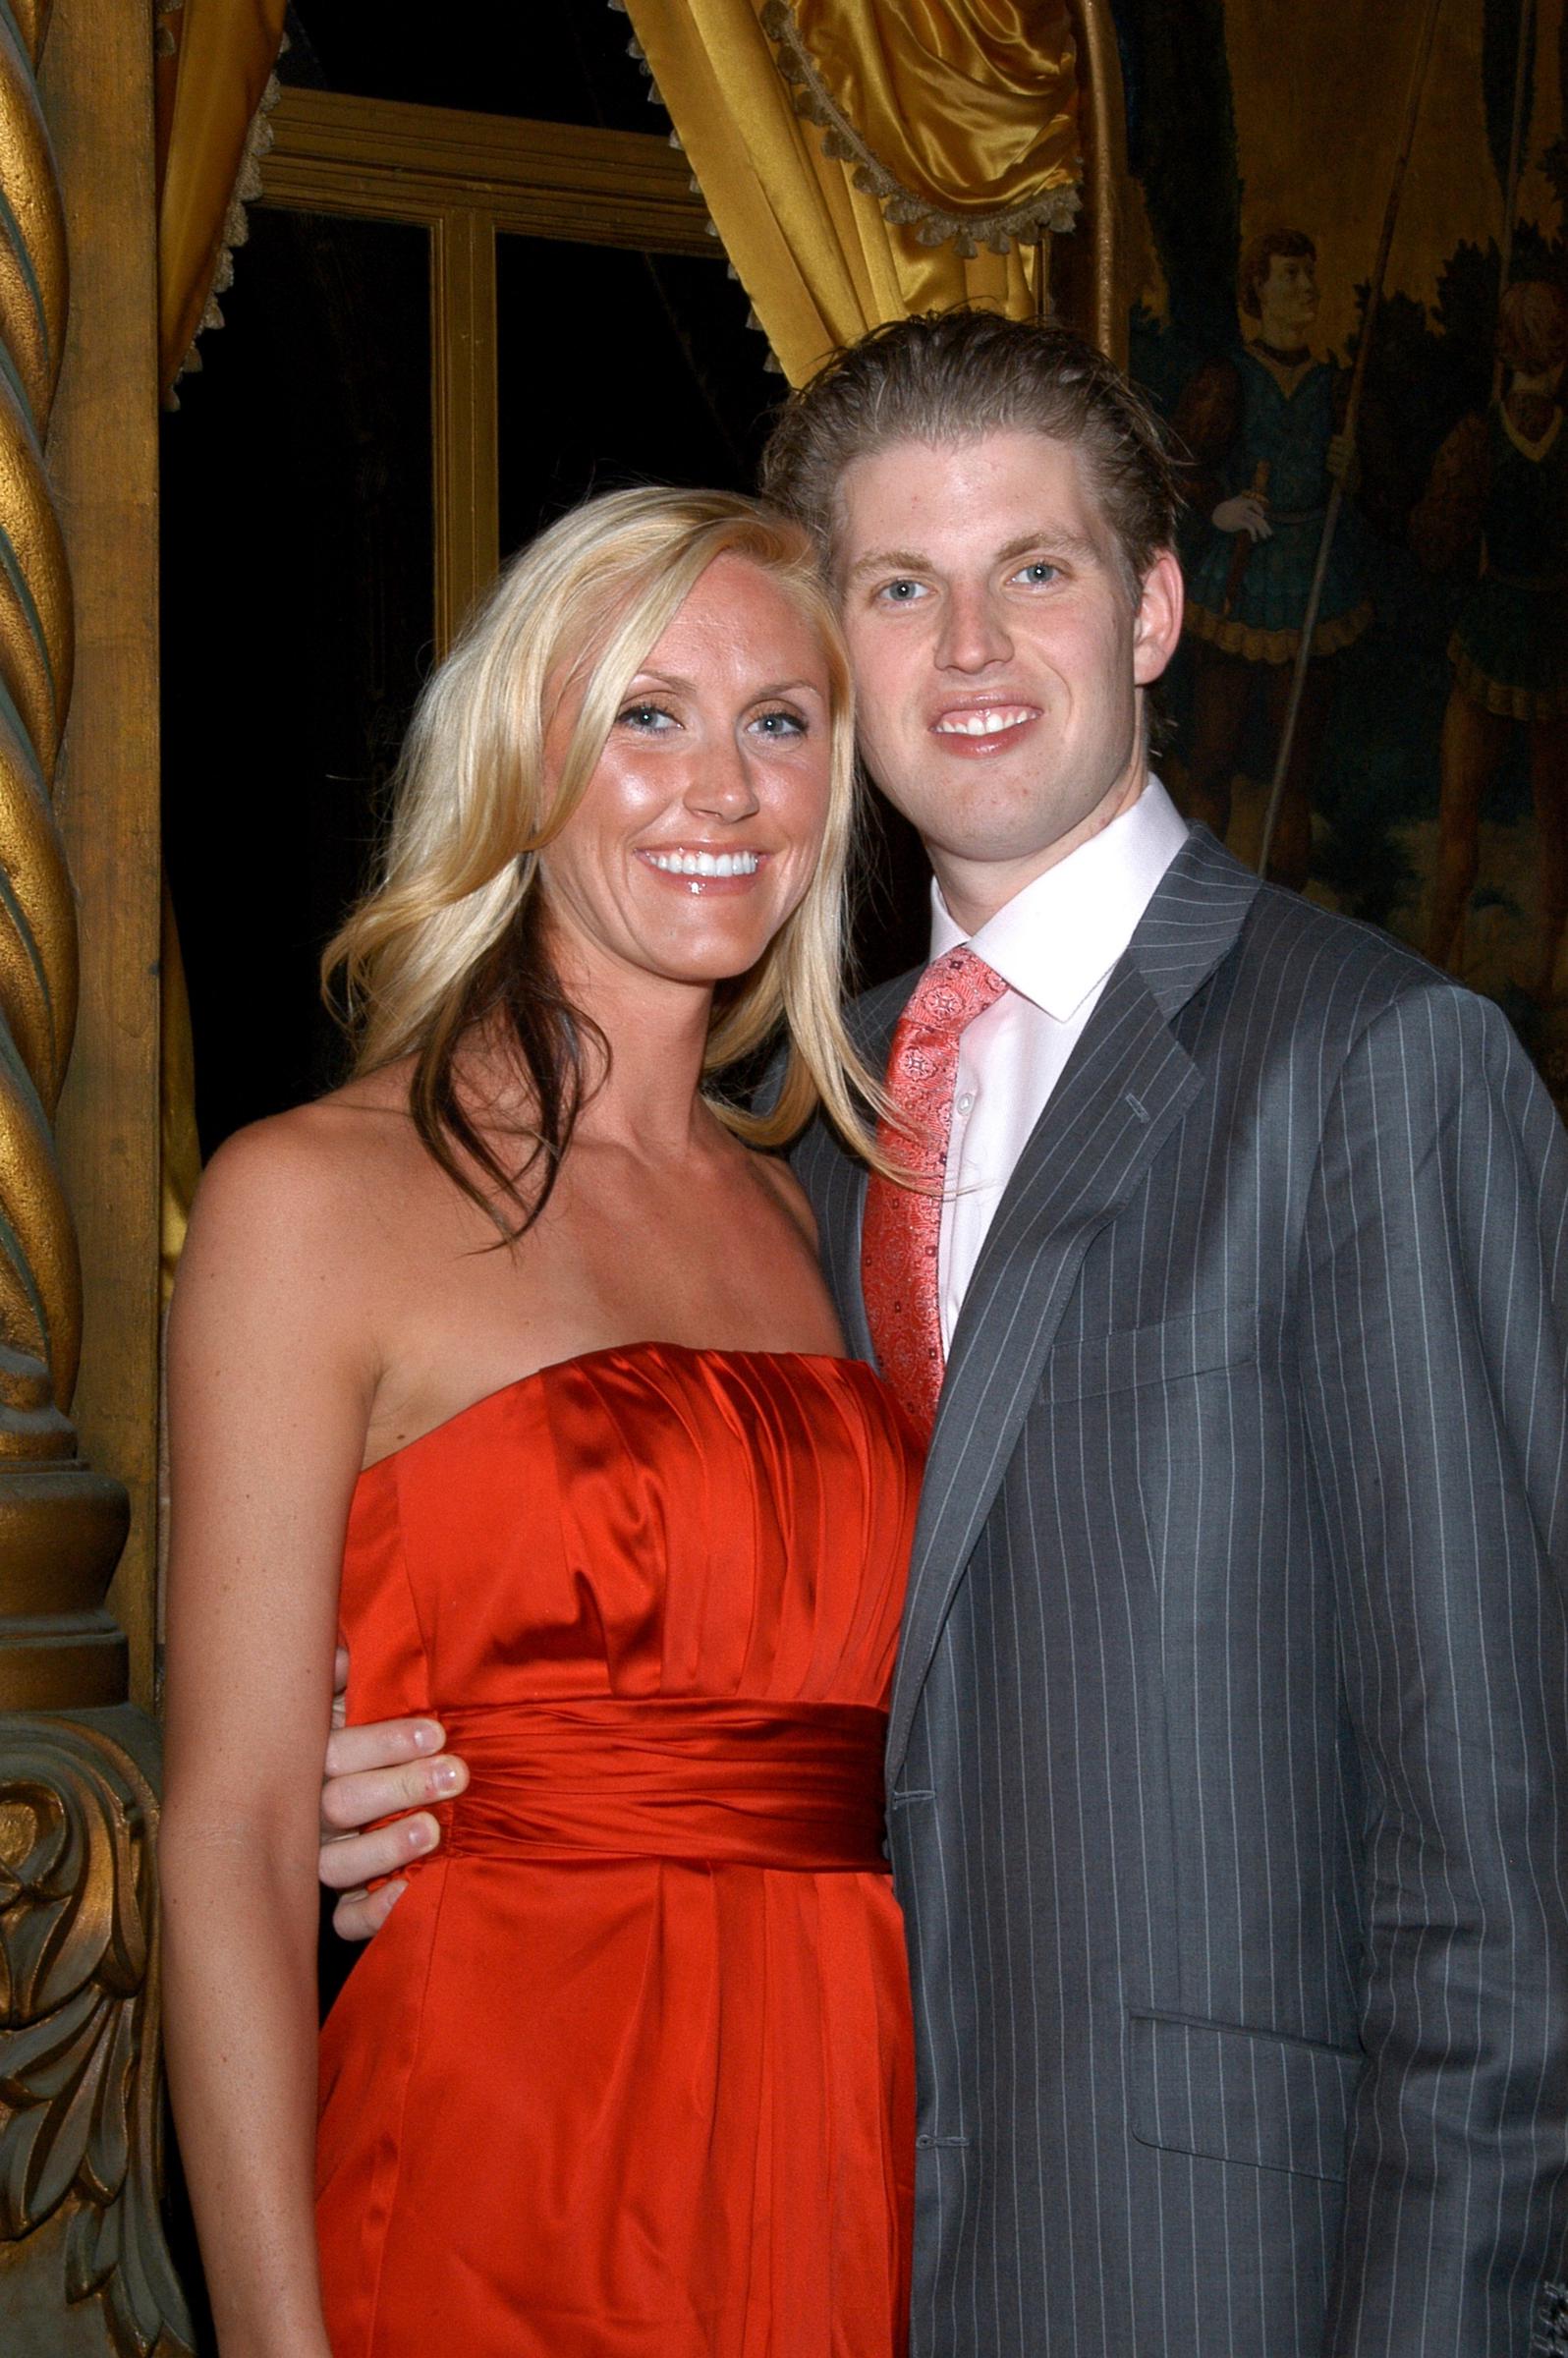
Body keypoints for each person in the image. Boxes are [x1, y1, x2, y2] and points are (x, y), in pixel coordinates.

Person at [318, 313, 1568, 2355]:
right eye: (901, 587)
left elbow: (1504, 1874)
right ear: (838, 654)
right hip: (802, 2230)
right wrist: (400, 1760)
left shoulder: (1380, 1074)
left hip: (1223, 2281)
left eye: (1037, 573)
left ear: (1157, 608)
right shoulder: (807, 1134)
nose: (971, 648)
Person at [160, 485, 927, 2358]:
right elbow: (240, 1833)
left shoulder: (836, 1205)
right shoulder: (313, 1199)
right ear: (526, 761)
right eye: (643, 716)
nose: (721, 788)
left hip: (852, 2139)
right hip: (499, 2145)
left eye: (779, 722)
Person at [1173, 229, 1370, 888]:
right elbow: (1179, 467)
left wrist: (1353, 469)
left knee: (1297, 766)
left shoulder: (1337, 385)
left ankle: (1289, 919)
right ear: (1259, 286)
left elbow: (1379, 499)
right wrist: (1219, 508)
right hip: (1239, 577)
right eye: (1290, 274)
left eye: (1309, 274)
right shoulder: (1229, 376)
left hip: (1312, 576)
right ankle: (1194, 903)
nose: (1307, 287)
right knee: (1213, 755)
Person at [1414, 277, 1568, 1004]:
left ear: (1507, 349)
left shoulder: (1479, 435)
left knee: (1459, 811)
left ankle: (1442, 957)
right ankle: (1546, 973)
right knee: (1555, 821)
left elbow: (1435, 542)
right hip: (1548, 634)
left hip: (1497, 629)